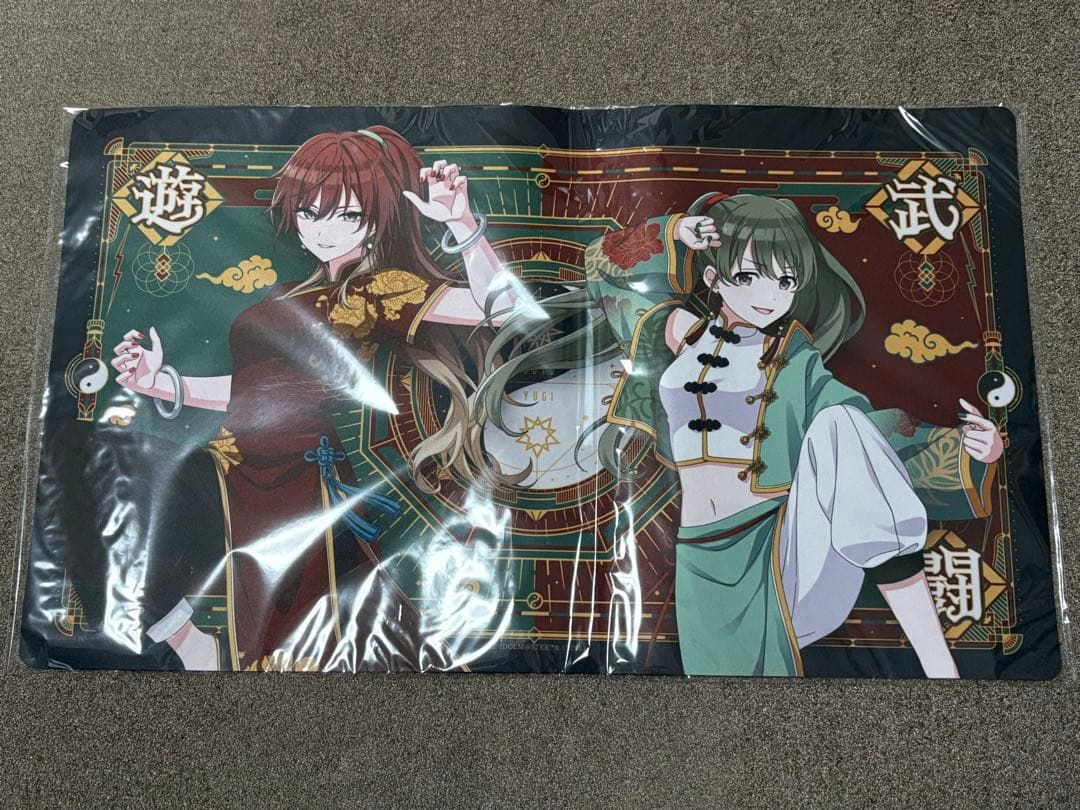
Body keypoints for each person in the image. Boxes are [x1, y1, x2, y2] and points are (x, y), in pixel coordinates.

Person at [476, 193, 1002, 678]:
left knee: (840, 424)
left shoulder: (796, 361)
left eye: (785, 281)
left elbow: (868, 433)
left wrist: (969, 448)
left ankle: (940, 666)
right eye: (749, 276)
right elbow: (605, 270)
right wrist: (674, 230)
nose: (769, 296)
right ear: (713, 277)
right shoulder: (676, 332)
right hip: (704, 561)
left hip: (788, 552)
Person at [110, 127, 516, 672]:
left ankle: (213, 658)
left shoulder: (376, 290)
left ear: (378, 219)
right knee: (112, 479)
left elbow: (502, 309)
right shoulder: (291, 295)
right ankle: (194, 646)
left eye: (347, 215)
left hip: (298, 483)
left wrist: (462, 225)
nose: (324, 229)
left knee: (291, 645)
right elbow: (259, 390)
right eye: (310, 212)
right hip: (232, 464)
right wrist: (164, 384)